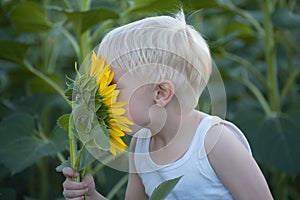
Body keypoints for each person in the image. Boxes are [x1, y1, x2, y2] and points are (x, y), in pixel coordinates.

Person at [62, 11, 273, 200]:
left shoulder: (214, 142)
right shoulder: (141, 144)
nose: (103, 96)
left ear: (161, 93)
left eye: (112, 85)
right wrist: (89, 195)